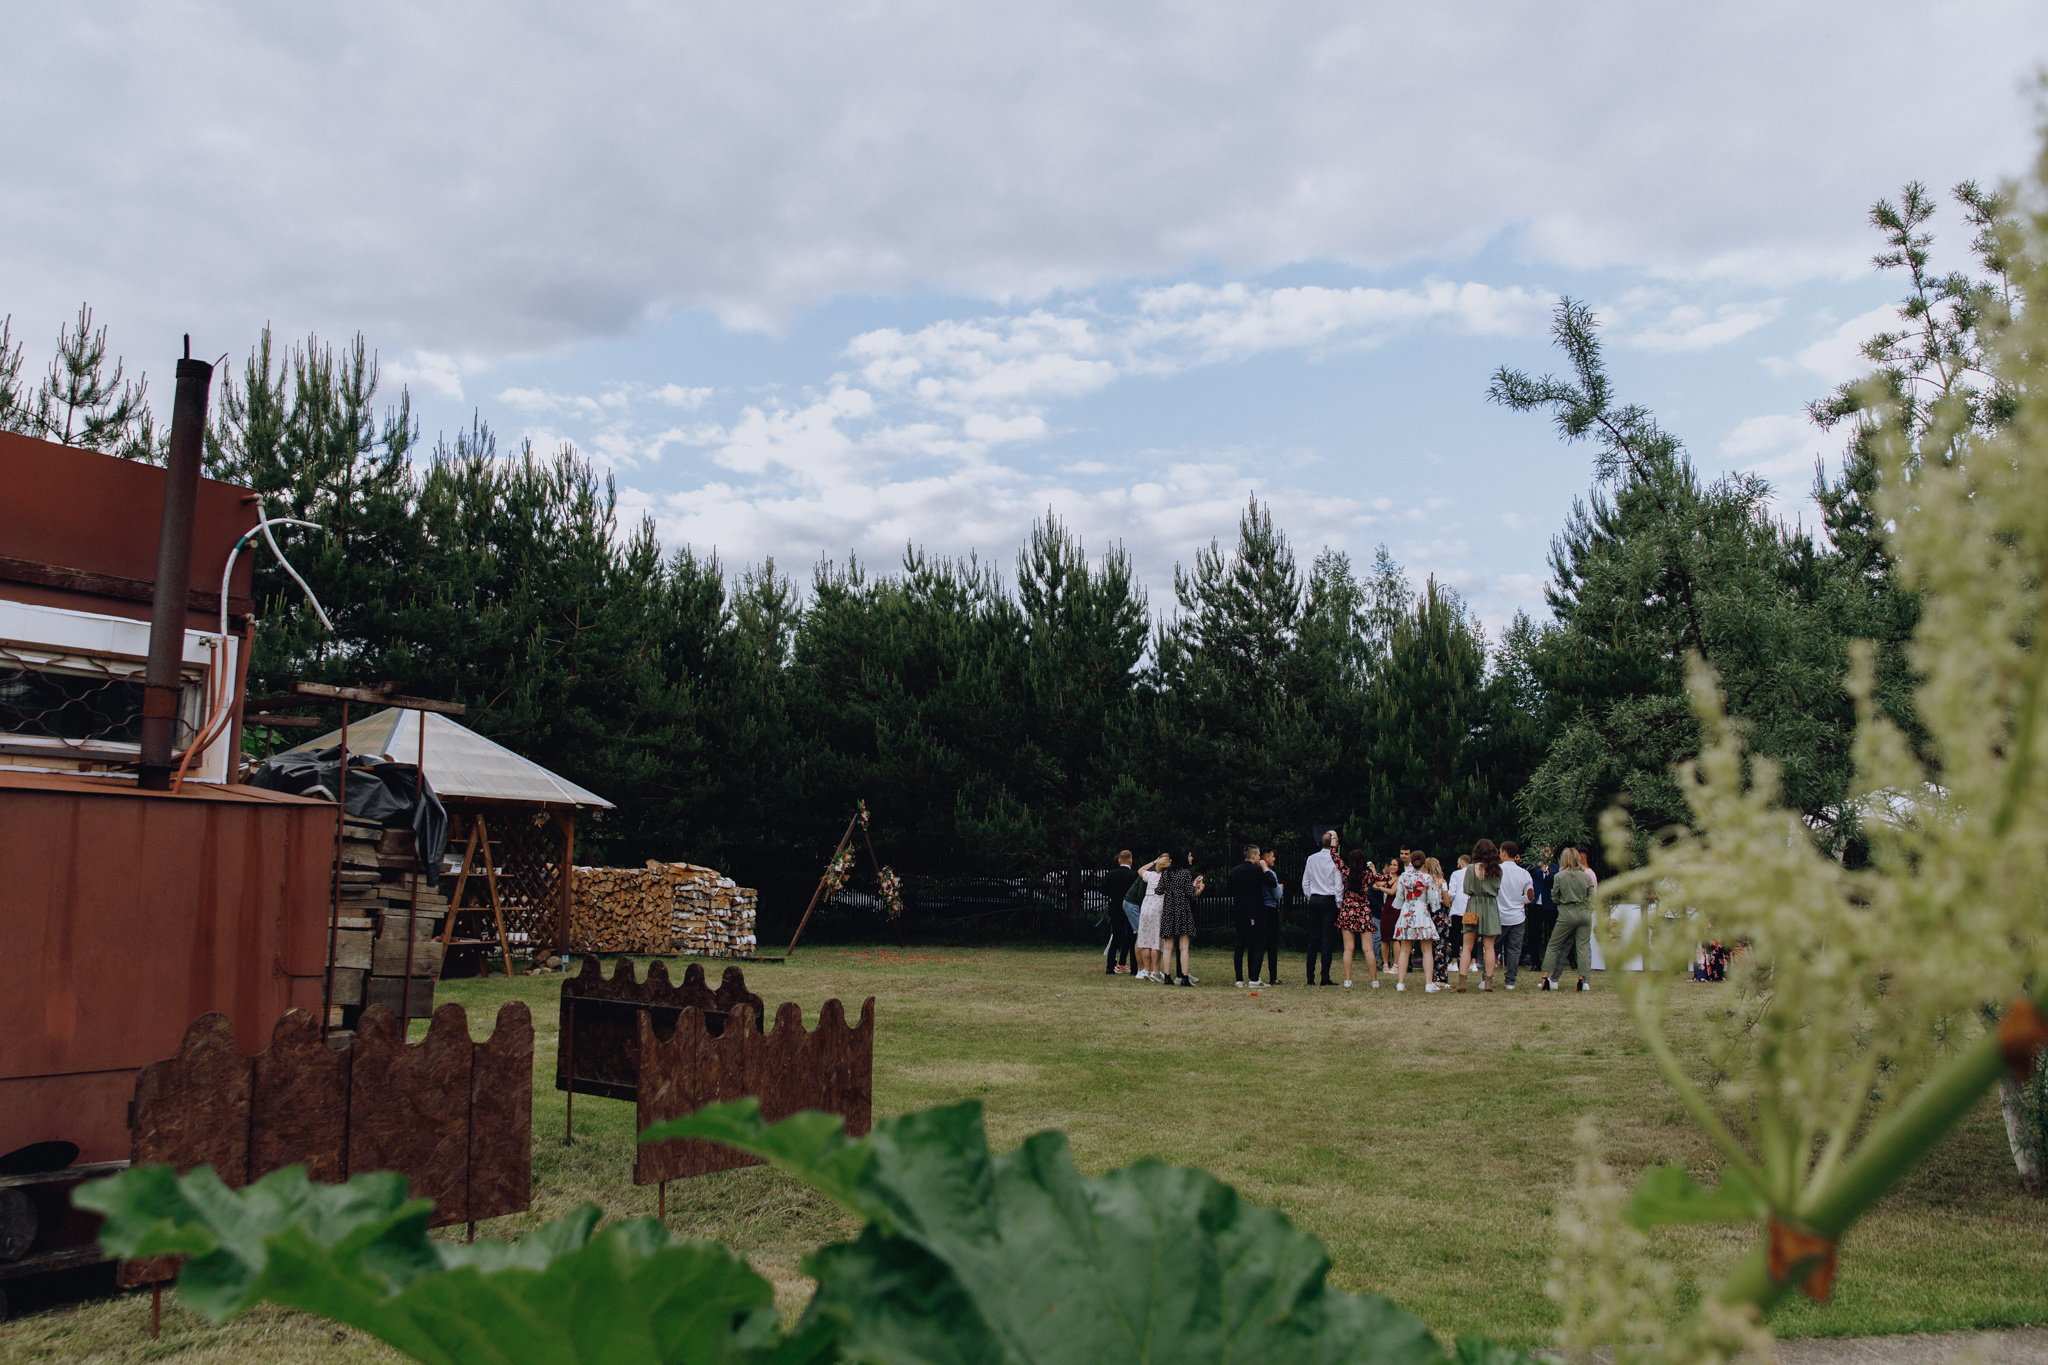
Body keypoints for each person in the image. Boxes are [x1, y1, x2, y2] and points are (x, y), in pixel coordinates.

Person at [1540, 847, 1596, 992]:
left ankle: (1546, 979)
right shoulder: (1586, 876)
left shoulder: (1560, 876)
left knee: (1553, 946)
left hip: (1566, 913)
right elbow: (1592, 898)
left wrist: (1562, 901)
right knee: (1582, 948)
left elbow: (1555, 897)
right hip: (1584, 912)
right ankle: (1582, 980)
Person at [1458, 839, 1504, 992]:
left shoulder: (1470, 868)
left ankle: (1462, 982)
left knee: (1467, 947)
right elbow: (1496, 889)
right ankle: (1488, 983)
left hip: (1474, 905)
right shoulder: (1497, 870)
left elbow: (1466, 889)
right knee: (1489, 947)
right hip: (1490, 907)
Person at [1300, 830, 1344, 986]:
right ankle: (1324, 976)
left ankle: (1310, 977)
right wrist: (1339, 904)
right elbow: (1338, 885)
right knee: (1327, 939)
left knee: (1313, 939)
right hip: (1329, 899)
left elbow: (1305, 881)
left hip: (1315, 898)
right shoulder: (1335, 860)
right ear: (1334, 843)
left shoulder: (1311, 859)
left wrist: (1310, 897)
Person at [1389, 850, 1438, 991]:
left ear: (1411, 862)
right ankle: (1429, 984)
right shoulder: (1427, 878)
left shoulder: (1403, 876)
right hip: (1422, 912)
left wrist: (1400, 908)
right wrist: (1434, 908)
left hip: (1407, 912)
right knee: (1427, 950)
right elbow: (1433, 899)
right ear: (1424, 863)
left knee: (1404, 950)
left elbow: (1399, 897)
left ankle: (1400, 982)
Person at [1157, 847, 1205, 987]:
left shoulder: (1166, 874)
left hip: (1168, 910)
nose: (1191, 858)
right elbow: (1191, 893)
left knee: (1168, 946)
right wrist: (1199, 888)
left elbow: (1158, 890)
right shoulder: (1185, 873)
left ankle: (1167, 977)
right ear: (1183, 858)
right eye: (1189, 856)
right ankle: (1184, 977)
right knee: (1184, 947)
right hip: (1182, 909)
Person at [1495, 841, 1535, 990]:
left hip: (1498, 915)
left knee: (1493, 948)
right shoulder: (1524, 873)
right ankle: (1510, 981)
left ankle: (1487, 977)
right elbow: (1530, 897)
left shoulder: (1496, 871)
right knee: (1514, 950)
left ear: (1504, 853)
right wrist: (1520, 901)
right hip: (1517, 916)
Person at [1338, 847, 1380, 987]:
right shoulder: (1367, 876)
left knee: (1348, 948)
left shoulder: (1346, 872)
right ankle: (1374, 980)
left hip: (1348, 910)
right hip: (1363, 911)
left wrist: (1333, 842)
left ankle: (1347, 980)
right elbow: (1383, 878)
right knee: (1368, 948)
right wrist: (1374, 870)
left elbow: (1334, 857)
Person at [1226, 843, 1267, 988]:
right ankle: (1254, 977)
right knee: (1257, 945)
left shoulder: (1235, 871)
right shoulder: (1257, 870)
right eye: (1259, 855)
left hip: (1239, 911)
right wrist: (1264, 868)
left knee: (1240, 945)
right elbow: (1271, 883)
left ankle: (1239, 979)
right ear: (1254, 855)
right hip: (1255, 911)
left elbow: (1229, 889)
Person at [1102, 851, 1139, 976]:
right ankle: (1134, 968)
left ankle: (1110, 966)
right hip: (1131, 909)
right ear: (1131, 860)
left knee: (1116, 937)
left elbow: (1105, 891)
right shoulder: (1134, 875)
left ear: (1119, 861)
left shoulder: (1111, 874)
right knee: (1133, 937)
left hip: (1116, 908)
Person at [1134, 853, 1170, 981]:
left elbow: (1140, 870)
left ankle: (1146, 970)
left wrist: (1153, 862)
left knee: (1145, 940)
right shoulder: (1167, 878)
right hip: (1158, 907)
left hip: (1146, 906)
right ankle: (1155, 971)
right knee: (1155, 941)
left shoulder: (1151, 875)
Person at [1527, 847, 1559, 974]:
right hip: (1536, 904)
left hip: (1550, 904)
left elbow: (1555, 879)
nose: (1543, 853)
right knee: (1534, 934)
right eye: (1542, 851)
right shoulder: (1534, 865)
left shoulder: (1556, 867)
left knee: (1554, 933)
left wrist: (1546, 871)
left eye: (1546, 851)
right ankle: (1536, 962)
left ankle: (1558, 961)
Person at [1427, 850, 1457, 985]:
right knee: (1441, 945)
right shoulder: (1442, 881)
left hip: (1427, 913)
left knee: (1428, 946)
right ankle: (1441, 977)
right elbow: (1446, 902)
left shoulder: (1424, 882)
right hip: (1439, 913)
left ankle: (1430, 976)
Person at [1260, 849, 1284, 986]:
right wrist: (1281, 887)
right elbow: (1277, 894)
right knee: (1272, 944)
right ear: (1266, 858)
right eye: (1272, 856)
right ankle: (1273, 976)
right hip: (1270, 908)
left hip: (1259, 909)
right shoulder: (1270, 874)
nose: (1274, 859)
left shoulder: (1256, 873)